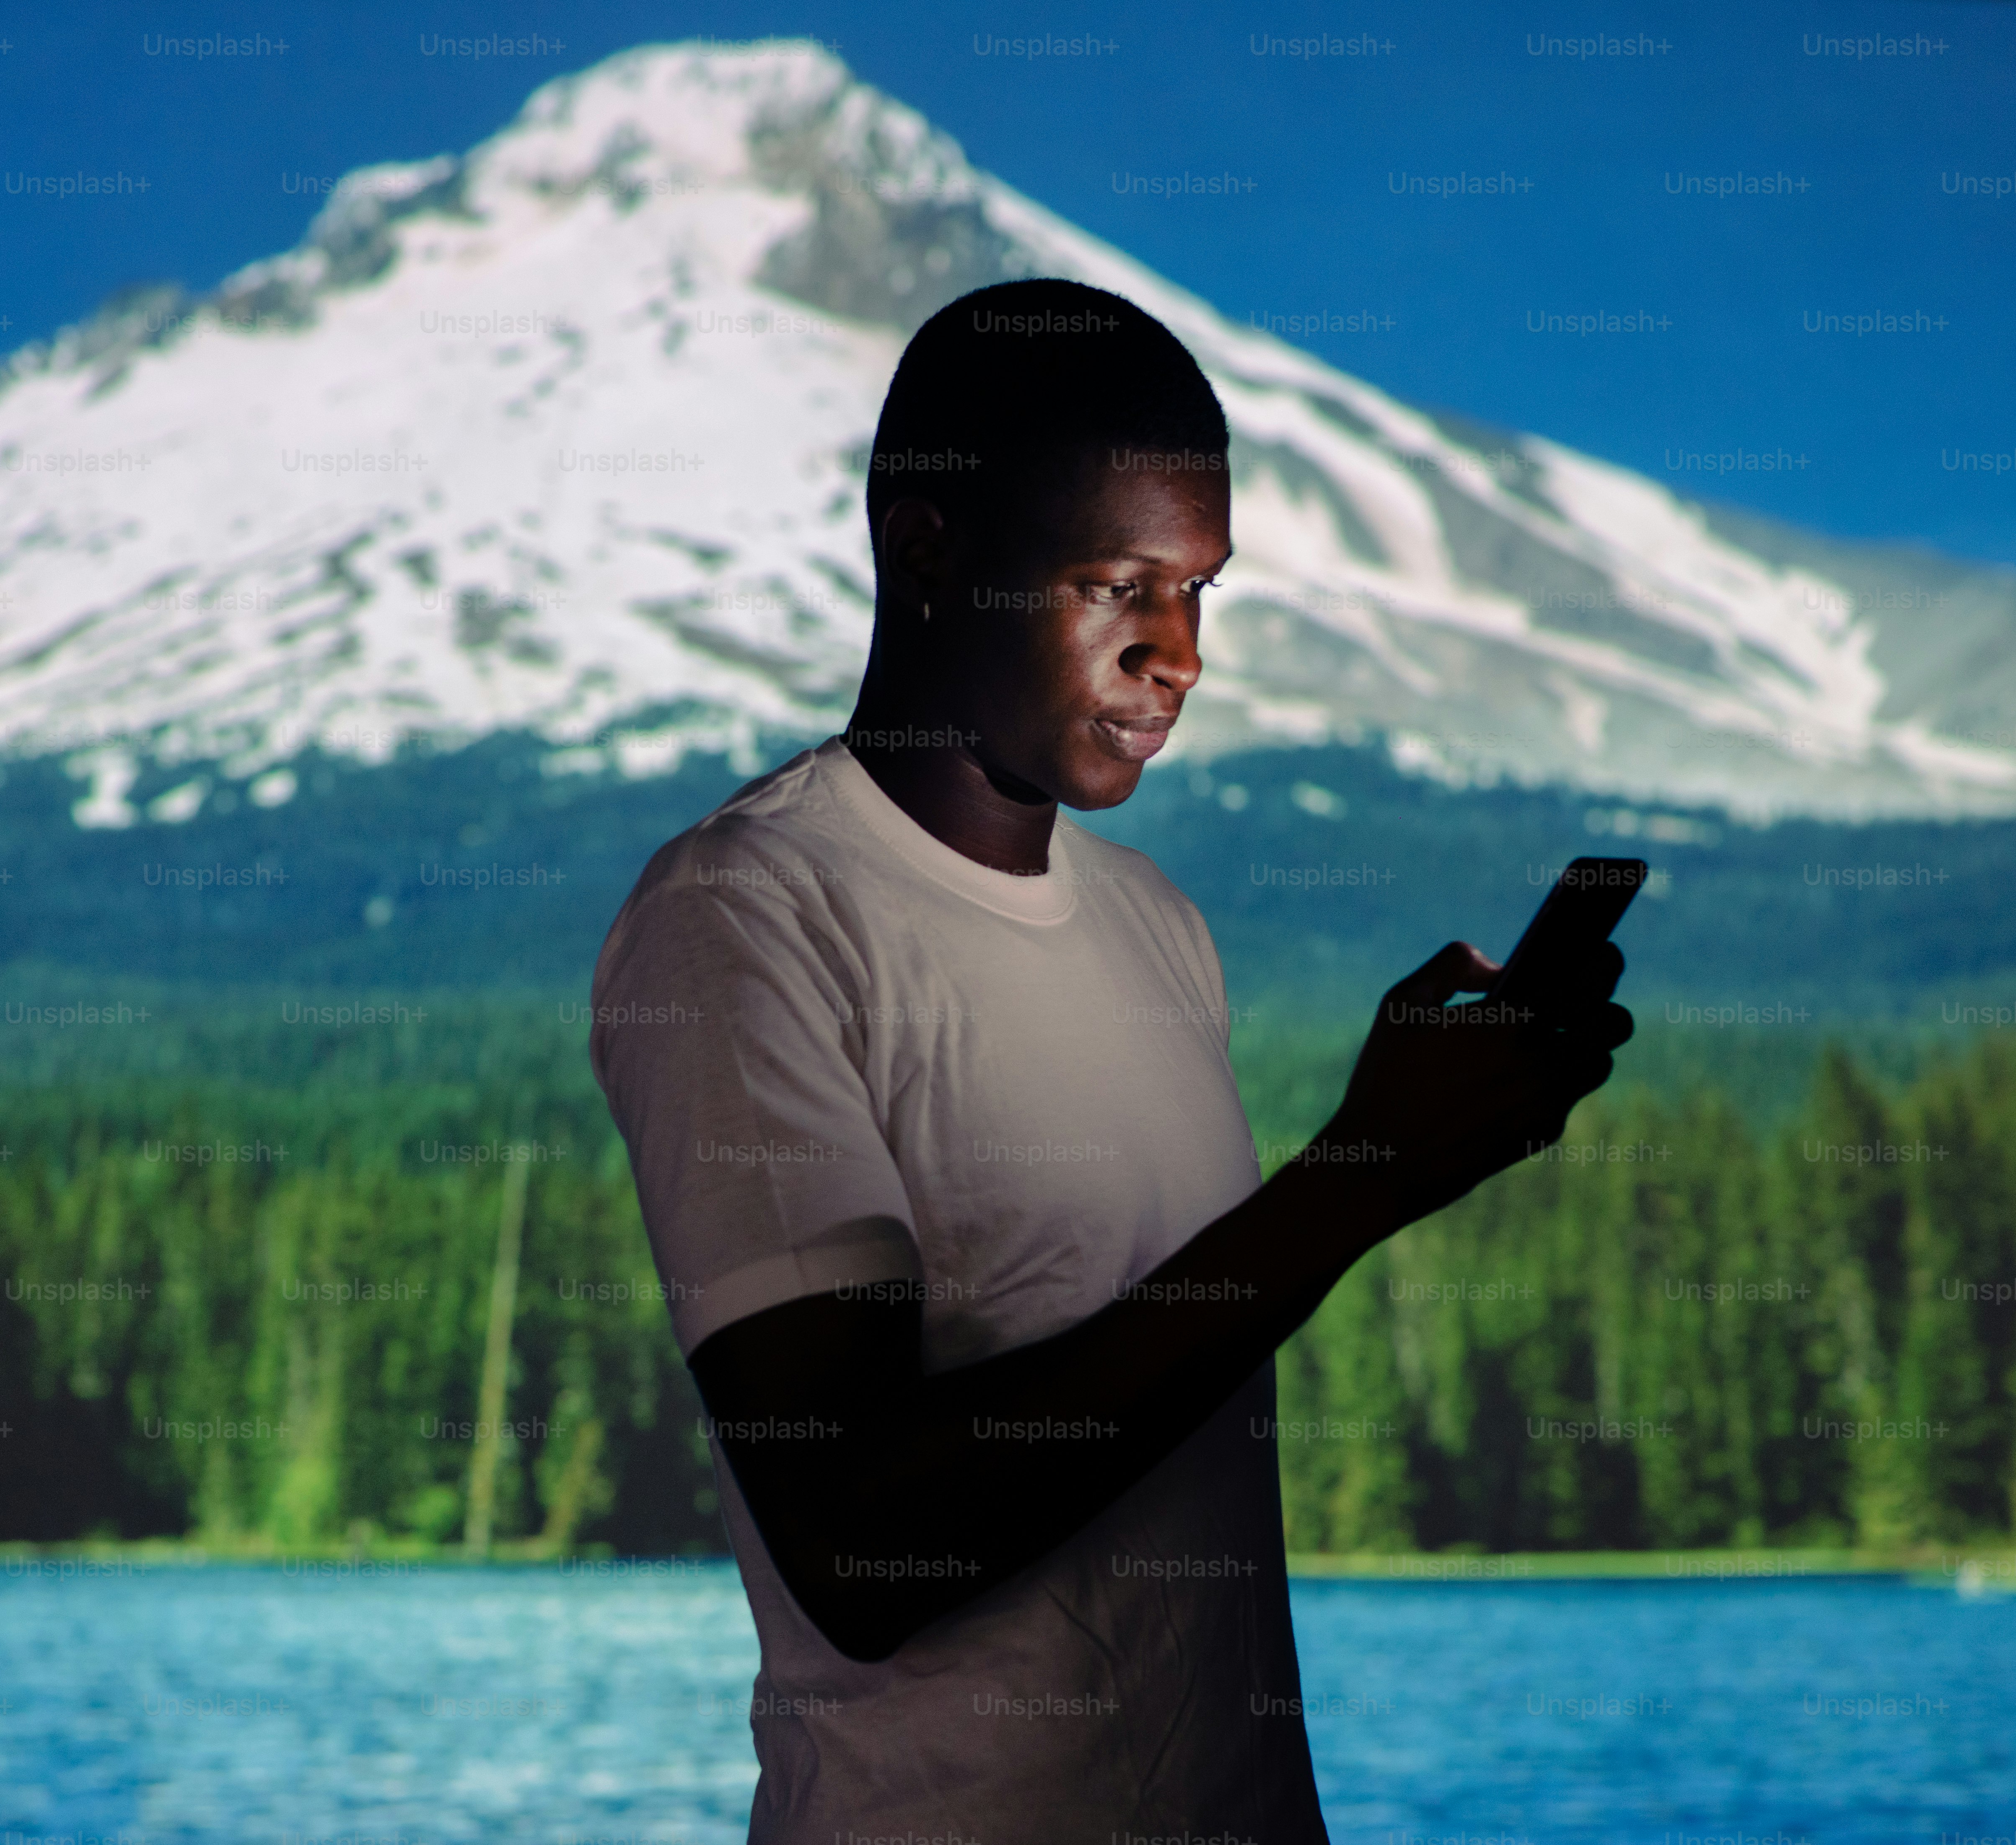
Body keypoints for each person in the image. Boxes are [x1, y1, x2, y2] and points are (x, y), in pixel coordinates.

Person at [585, 278, 1631, 1844]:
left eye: (1201, 591)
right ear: (924, 548)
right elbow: (861, 1543)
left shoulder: (1155, 929)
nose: (1178, 655)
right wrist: (1353, 1181)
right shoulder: (743, 916)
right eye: (1113, 584)